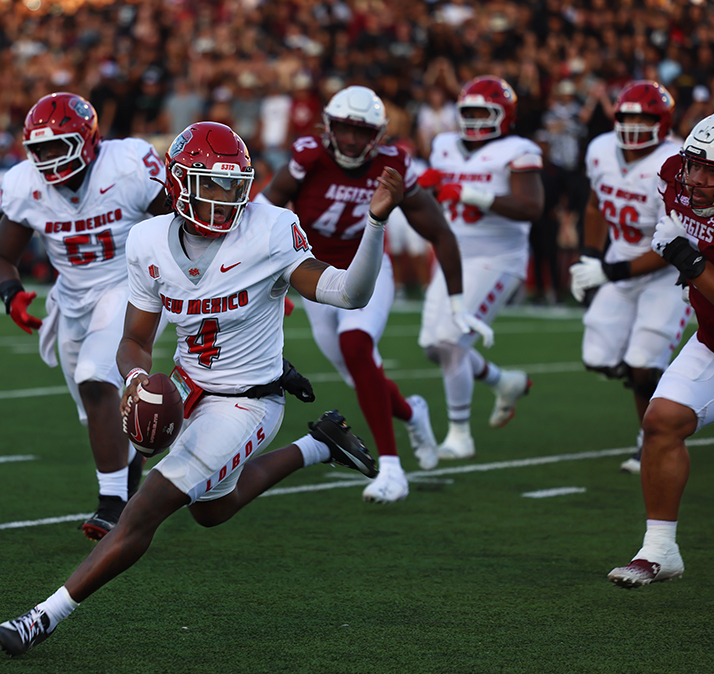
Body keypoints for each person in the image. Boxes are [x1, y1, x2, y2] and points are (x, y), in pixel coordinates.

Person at [0, 121, 399, 656]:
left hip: (249, 398)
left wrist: (374, 222)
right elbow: (135, 338)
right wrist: (138, 382)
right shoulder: (147, 240)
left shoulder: (271, 228)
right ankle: (320, 443)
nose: (226, 198)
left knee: (147, 505)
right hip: (188, 384)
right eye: (211, 183)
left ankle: (44, 615)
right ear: (179, 184)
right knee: (210, 510)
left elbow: (350, 294)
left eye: (235, 185)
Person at [259, 85, 490, 503]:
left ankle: (391, 468)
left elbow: (438, 230)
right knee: (359, 373)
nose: (349, 140)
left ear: (378, 134)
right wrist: (267, 278)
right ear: (329, 126)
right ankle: (411, 412)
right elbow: (263, 211)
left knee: (356, 345)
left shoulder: (393, 163)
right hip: (313, 275)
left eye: (360, 131)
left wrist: (457, 303)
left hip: (368, 268)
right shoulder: (308, 154)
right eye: (343, 129)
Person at [0, 92, 168, 540]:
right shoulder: (23, 183)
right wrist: (11, 293)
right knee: (100, 413)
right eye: (39, 149)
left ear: (87, 140)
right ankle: (128, 478)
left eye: (57, 146)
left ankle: (112, 507)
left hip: (130, 287)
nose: (47, 159)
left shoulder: (127, 165)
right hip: (71, 299)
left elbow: (176, 226)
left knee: (95, 379)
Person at [607, 113, 714, 587]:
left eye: (712, 171)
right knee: (660, 421)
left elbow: (686, 256)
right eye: (695, 165)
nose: (697, 179)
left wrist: (686, 258)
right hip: (711, 340)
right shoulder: (673, 176)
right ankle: (659, 550)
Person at [417, 76, 545, 460]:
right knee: (431, 348)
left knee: (451, 343)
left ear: (503, 115)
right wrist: (423, 188)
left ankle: (460, 434)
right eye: (468, 112)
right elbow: (435, 193)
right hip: (452, 255)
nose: (473, 120)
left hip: (498, 257)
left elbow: (531, 207)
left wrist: (473, 193)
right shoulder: (443, 146)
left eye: (482, 112)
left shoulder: (518, 150)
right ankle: (502, 381)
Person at [568, 81, 690, 474]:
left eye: (644, 118)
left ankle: (649, 438)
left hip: (667, 273)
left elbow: (672, 245)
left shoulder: (674, 162)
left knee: (641, 360)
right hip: (619, 261)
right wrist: (589, 257)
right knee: (598, 357)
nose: (634, 126)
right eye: (627, 116)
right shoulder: (601, 148)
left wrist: (607, 271)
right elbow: (593, 206)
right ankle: (649, 381)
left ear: (663, 122)